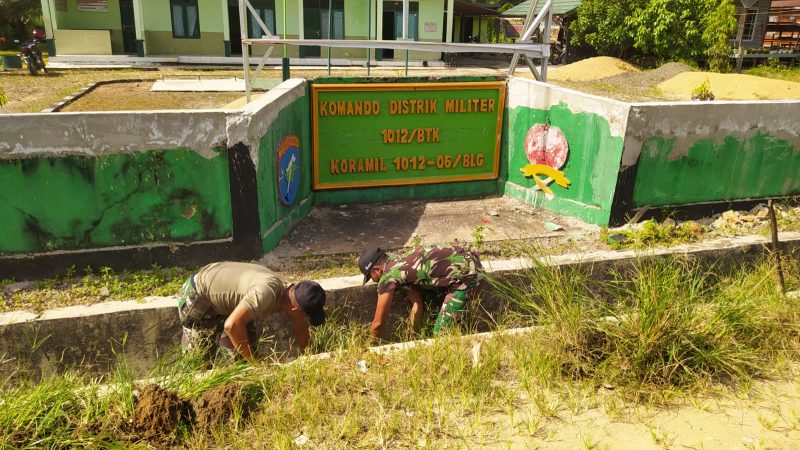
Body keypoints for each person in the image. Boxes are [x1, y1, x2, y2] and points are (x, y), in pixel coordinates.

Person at [177, 261, 326, 362]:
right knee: (199, 363)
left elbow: (299, 326)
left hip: (230, 304)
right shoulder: (266, 293)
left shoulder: (292, 293)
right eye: (306, 316)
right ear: (296, 309)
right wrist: (257, 363)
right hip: (200, 295)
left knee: (243, 360)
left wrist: (310, 358)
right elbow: (232, 325)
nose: (304, 320)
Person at [358, 246, 483, 342]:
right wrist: (410, 339)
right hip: (469, 262)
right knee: (434, 308)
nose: (375, 281)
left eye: (371, 277)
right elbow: (417, 306)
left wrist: (369, 349)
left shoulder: (388, 278)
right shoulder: (401, 263)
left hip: (466, 276)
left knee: (441, 338)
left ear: (376, 270)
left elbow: (378, 324)